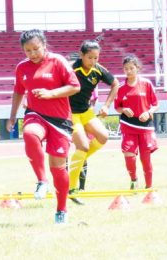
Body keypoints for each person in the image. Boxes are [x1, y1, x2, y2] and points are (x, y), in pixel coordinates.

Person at [6, 29, 80, 223]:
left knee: (58, 167)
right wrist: (12, 116)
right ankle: (41, 181)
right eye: (28, 50)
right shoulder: (22, 67)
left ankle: (61, 210)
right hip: (35, 114)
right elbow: (18, 91)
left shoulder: (58, 61)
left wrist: (51, 93)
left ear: (44, 45)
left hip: (60, 120)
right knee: (29, 134)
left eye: (36, 49)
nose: (32, 54)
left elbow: (75, 86)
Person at [67, 40, 119, 205]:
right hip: (70, 113)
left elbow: (115, 83)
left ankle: (76, 162)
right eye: (90, 57)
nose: (93, 61)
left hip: (86, 111)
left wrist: (106, 105)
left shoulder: (98, 69)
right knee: (83, 146)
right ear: (81, 55)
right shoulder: (71, 69)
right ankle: (71, 188)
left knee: (103, 137)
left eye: (96, 57)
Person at [114, 55, 158, 190]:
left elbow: (155, 104)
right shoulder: (120, 88)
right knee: (129, 154)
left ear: (137, 68)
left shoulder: (146, 84)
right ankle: (133, 180)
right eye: (126, 69)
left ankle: (149, 186)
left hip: (145, 127)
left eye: (131, 68)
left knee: (146, 159)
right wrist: (124, 109)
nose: (128, 71)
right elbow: (117, 107)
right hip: (128, 126)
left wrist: (149, 112)